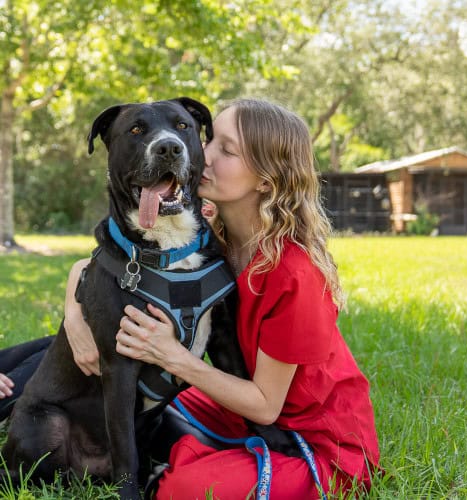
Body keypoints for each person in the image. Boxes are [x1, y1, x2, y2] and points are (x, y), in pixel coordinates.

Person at [3, 98, 380, 498]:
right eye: (210, 139)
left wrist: (174, 356)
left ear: (266, 180)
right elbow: (101, 268)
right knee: (96, 349)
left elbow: (267, 406)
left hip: (310, 437)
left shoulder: (294, 272)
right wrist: (74, 315)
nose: (197, 150)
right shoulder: (211, 238)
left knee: (182, 488)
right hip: (229, 406)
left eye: (226, 149)